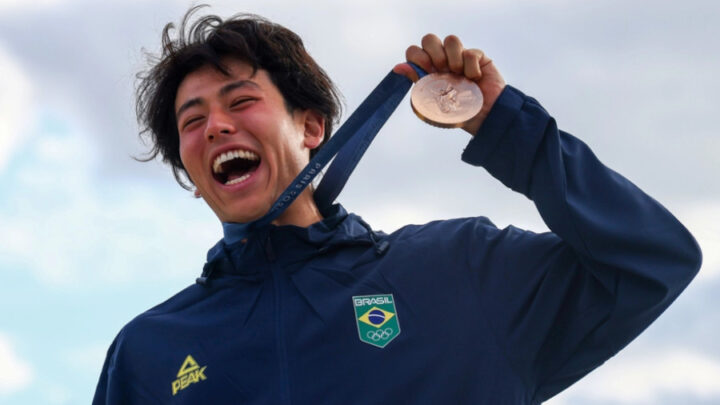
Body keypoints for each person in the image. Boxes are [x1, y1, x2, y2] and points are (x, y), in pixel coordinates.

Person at [93, 6, 702, 405]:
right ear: (192, 174)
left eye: (240, 102)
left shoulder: (459, 272)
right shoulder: (149, 354)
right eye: (192, 122)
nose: (217, 127)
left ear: (312, 127)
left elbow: (651, 262)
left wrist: (507, 127)